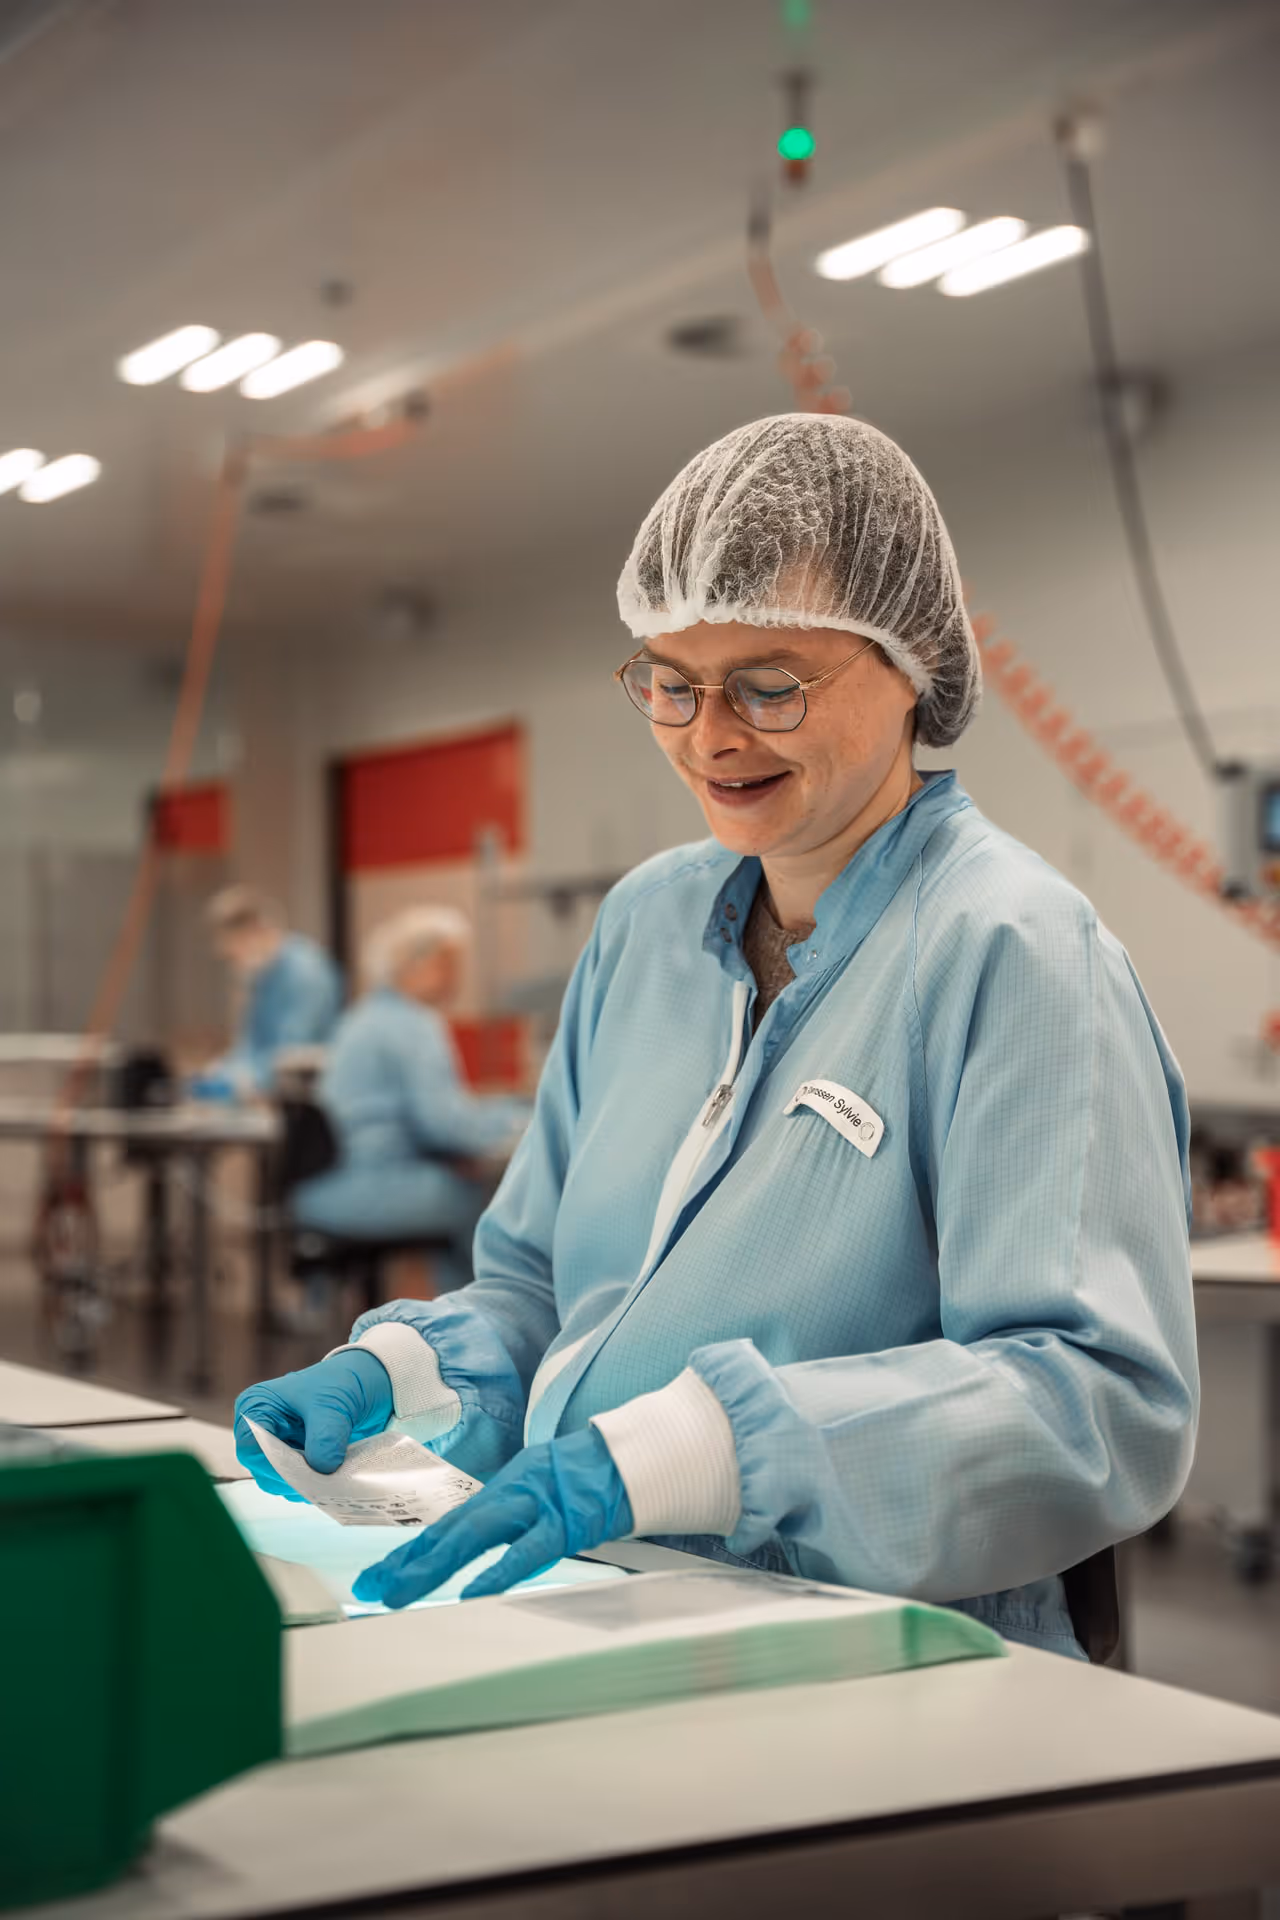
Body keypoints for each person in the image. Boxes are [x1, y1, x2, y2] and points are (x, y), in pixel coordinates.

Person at [236, 413, 1198, 1659]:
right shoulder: (645, 925)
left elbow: (1096, 1403)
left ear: (907, 669)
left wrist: (704, 1451)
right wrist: (412, 1377)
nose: (709, 736)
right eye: (669, 683)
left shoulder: (1010, 953)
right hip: (609, 1600)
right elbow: (543, 1286)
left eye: (767, 684)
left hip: (891, 1652)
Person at [291, 905, 531, 1292]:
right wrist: (523, 1122)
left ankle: (463, 1321)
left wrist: (502, 1113)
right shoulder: (414, 1024)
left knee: (468, 1191)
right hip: (365, 1187)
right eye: (449, 963)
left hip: (324, 1187)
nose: (457, 976)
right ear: (416, 964)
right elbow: (445, 1126)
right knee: (492, 1203)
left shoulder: (364, 1016)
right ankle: (481, 1331)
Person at [196, 886, 342, 1098]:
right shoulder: (265, 975)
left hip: (307, 1099)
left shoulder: (306, 973)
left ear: (255, 931)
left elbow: (291, 1057)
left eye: (233, 954)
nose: (233, 963)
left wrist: (241, 1079)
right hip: (271, 1094)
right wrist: (221, 1072)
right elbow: (252, 1044)